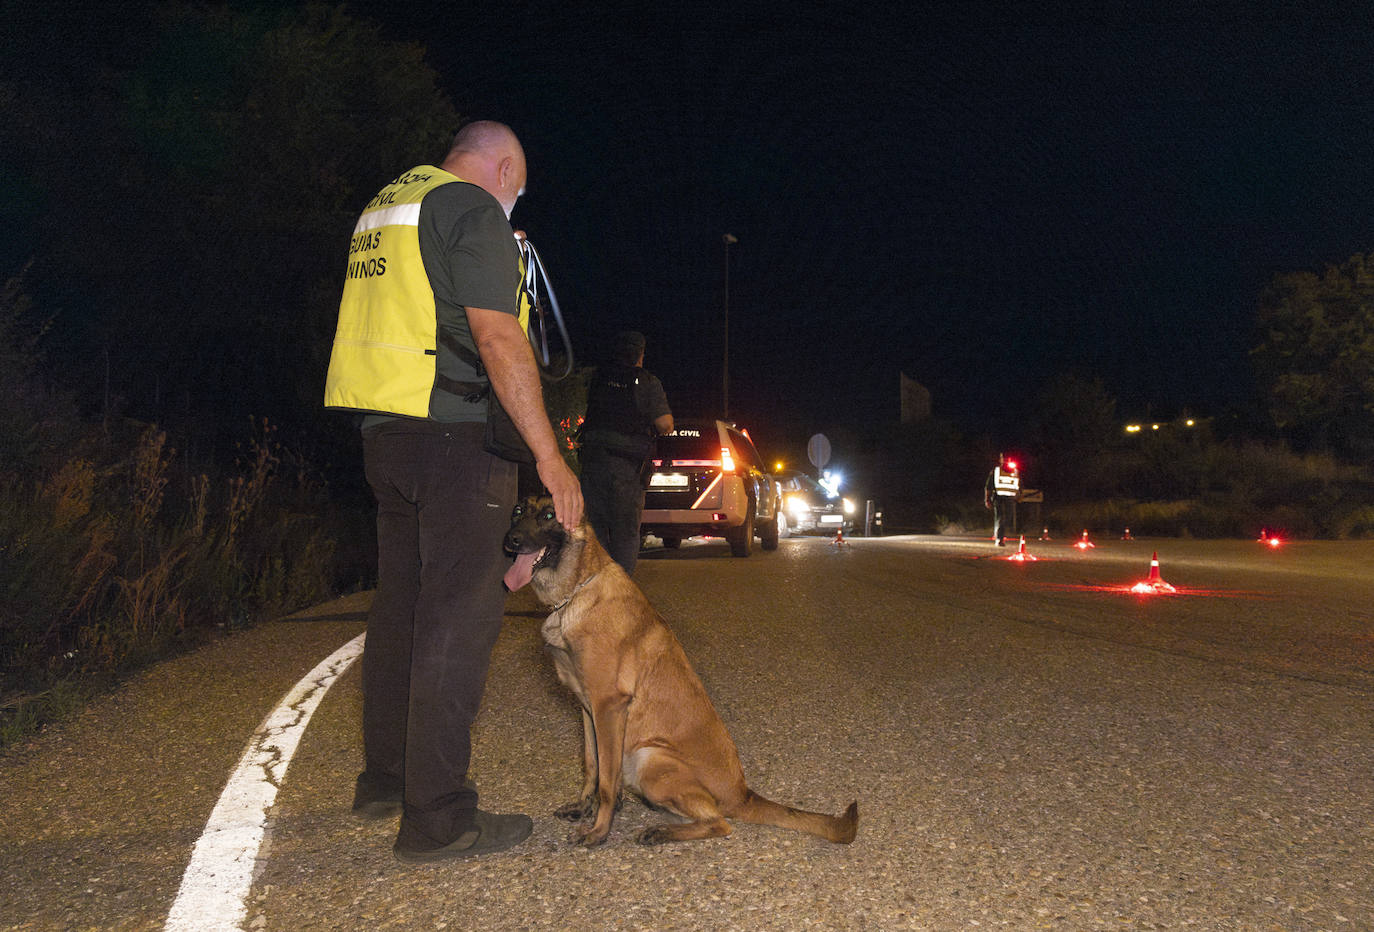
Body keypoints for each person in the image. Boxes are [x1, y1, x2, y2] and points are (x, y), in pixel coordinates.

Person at [323, 121, 583, 863]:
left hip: (386, 434)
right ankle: (437, 818)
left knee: (401, 611)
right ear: (502, 170)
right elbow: (497, 339)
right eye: (516, 191)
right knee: (456, 619)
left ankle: (385, 780)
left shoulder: (388, 206)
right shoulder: (470, 208)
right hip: (456, 439)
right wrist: (550, 456)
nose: (512, 206)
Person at [577, 330, 673, 573]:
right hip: (627, 469)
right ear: (640, 354)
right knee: (625, 532)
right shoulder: (647, 382)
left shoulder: (598, 376)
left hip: (593, 463)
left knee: (595, 529)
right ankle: (620, 588)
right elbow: (665, 424)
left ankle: (597, 585)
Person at [983, 452, 1020, 546]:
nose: (1006, 460)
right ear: (1000, 460)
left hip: (1010, 499)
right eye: (1004, 458)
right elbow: (988, 487)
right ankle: (1000, 538)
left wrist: (1018, 496)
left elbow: (1019, 485)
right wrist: (987, 499)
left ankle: (999, 534)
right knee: (1000, 517)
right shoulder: (995, 471)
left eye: (1008, 459)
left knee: (1007, 518)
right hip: (998, 498)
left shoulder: (1015, 471)